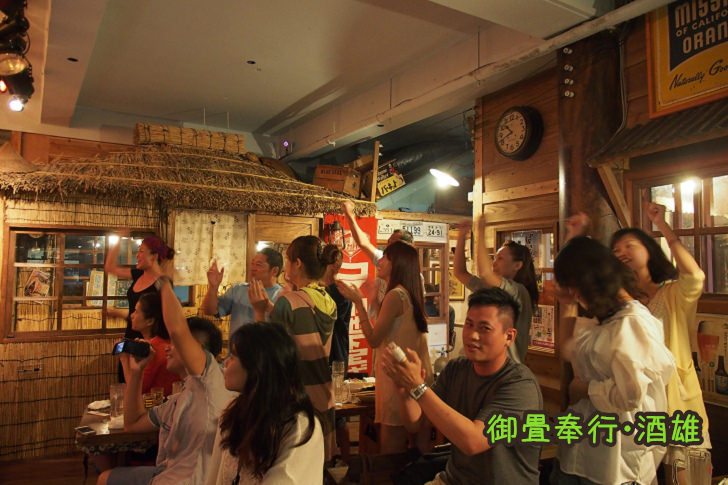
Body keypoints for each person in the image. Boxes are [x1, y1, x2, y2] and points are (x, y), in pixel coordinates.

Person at [382, 287, 542, 484]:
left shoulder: (520, 385)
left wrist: (418, 387)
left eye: (485, 328)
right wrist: (406, 395)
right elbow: (416, 423)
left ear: (509, 337)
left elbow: (473, 442)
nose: (472, 335)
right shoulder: (456, 369)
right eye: (469, 324)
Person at [552, 236, 675, 485]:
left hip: (615, 463)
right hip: (582, 451)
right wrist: (567, 305)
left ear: (592, 279)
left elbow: (630, 396)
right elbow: (568, 349)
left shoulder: (633, 323)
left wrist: (586, 389)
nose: (573, 293)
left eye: (574, 286)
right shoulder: (605, 321)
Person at [610, 202, 711, 485]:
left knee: (686, 477)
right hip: (636, 407)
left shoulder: (673, 294)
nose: (622, 252)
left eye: (629, 246)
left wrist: (662, 225)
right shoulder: (619, 301)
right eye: (616, 250)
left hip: (676, 400)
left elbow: (695, 276)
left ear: (649, 251)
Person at [98, 278, 234, 485]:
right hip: (165, 472)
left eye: (175, 344)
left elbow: (178, 329)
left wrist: (163, 281)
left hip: (187, 481)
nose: (168, 348)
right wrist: (136, 372)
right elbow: (132, 424)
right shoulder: (179, 399)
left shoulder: (211, 381)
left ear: (194, 349)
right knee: (105, 477)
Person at [336, 240, 433, 454]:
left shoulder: (395, 295)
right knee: (419, 449)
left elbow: (373, 339)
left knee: (391, 450)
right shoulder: (408, 292)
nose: (380, 261)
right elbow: (390, 326)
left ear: (396, 264)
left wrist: (358, 302)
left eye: (386, 257)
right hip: (416, 378)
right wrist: (373, 299)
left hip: (397, 381)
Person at [251, 236, 338, 462]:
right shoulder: (328, 301)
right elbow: (303, 324)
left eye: (288, 260)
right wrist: (272, 307)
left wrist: (259, 311)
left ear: (297, 263)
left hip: (296, 399)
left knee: (293, 466)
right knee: (316, 467)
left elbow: (268, 354)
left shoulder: (289, 302)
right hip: (323, 394)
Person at [205, 321, 324, 485]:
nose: (225, 363)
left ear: (256, 366)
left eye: (232, 357)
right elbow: (214, 476)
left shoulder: (299, 426)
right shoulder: (233, 412)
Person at [453, 216, 538, 363]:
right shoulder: (491, 289)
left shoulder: (519, 291)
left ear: (517, 265)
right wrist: (462, 236)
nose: (494, 263)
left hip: (507, 369)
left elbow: (485, 273)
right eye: (494, 258)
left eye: (500, 259)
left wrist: (480, 231)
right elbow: (460, 273)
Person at [106, 234, 174, 382]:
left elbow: (163, 318)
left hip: (151, 345)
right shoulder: (138, 275)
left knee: (141, 386)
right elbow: (109, 267)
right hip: (131, 337)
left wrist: (122, 315)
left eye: (141, 252)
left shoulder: (162, 284)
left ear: (154, 256)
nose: (137, 255)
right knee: (125, 384)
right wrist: (119, 238)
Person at [342, 199, 414, 316]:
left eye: (393, 243)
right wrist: (350, 215)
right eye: (388, 242)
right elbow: (363, 243)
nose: (387, 247)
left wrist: (362, 301)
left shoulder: (409, 281)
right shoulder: (385, 260)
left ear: (405, 248)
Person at [202, 247, 283, 336]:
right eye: (252, 264)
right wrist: (213, 287)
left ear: (275, 271)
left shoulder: (282, 296)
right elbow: (209, 311)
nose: (253, 268)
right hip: (237, 345)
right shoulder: (238, 289)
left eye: (258, 264)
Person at [130, 292, 181, 396]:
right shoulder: (170, 343)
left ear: (150, 321)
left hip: (152, 404)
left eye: (136, 311)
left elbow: (136, 389)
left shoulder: (152, 349)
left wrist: (123, 358)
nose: (132, 315)